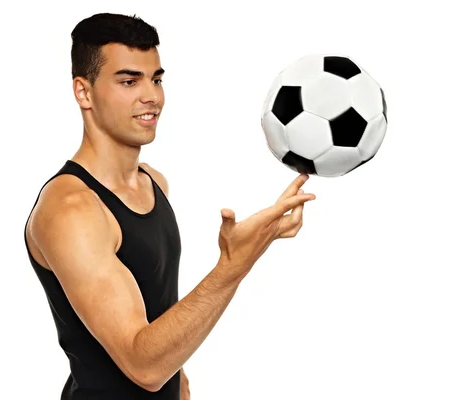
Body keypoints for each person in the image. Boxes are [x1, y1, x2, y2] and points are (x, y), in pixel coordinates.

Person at [23, 12, 316, 400]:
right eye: (129, 81)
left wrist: (182, 384)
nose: (152, 96)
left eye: (156, 79)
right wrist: (233, 265)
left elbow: (158, 321)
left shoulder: (153, 182)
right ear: (84, 92)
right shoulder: (71, 210)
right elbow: (144, 365)